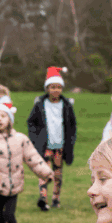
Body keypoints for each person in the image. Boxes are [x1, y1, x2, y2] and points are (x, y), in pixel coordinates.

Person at [27, 66, 77, 211]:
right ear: (47, 88)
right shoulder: (40, 105)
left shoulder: (67, 105)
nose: (56, 90)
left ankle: (56, 198)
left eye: (58, 87)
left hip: (60, 146)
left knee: (57, 173)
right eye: (52, 87)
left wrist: (70, 141)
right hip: (45, 146)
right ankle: (43, 198)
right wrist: (35, 139)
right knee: (44, 172)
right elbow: (31, 122)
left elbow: (72, 125)